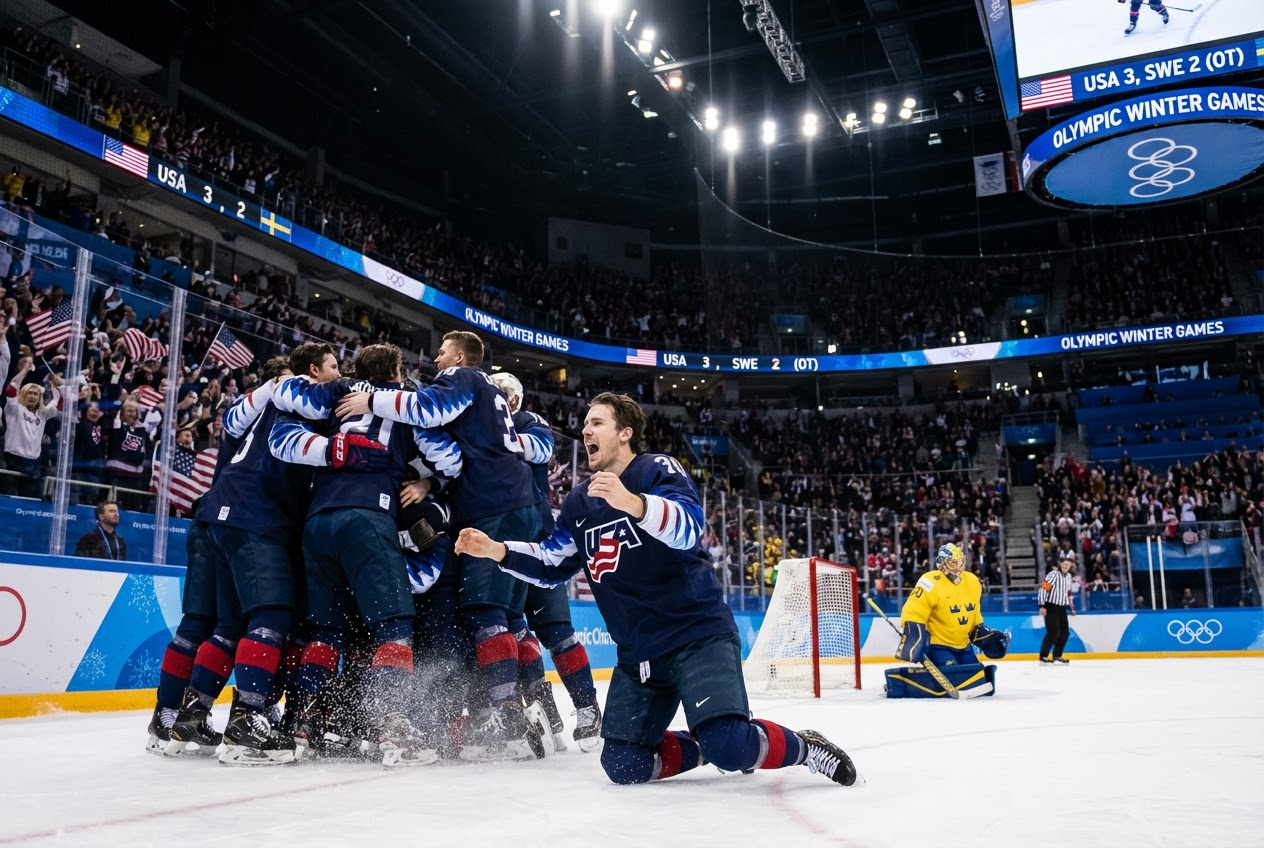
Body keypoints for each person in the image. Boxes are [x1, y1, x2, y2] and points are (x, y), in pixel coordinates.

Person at [455, 392, 857, 786]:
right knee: (623, 765)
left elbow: (688, 529)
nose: (585, 430)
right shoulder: (581, 501)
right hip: (639, 654)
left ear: (625, 432)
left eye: (597, 423)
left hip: (696, 635)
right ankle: (702, 749)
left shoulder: (655, 469)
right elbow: (552, 563)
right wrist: (497, 550)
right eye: (584, 424)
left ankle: (804, 747)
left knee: (731, 746)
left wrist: (635, 504)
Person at [335, 331, 545, 762]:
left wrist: (369, 402)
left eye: (443, 350)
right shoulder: (484, 391)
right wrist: (431, 482)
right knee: (504, 616)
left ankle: (506, 720)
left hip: (494, 506)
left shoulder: (464, 377)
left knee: (485, 614)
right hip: (513, 503)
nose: (435, 356)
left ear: (462, 357)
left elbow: (427, 410)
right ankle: (523, 710)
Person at [147, 356, 291, 758]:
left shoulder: (245, 418)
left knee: (206, 622)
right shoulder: (281, 413)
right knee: (265, 617)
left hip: (210, 519)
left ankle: (173, 715)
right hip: (249, 521)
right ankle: (247, 714)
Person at [491, 371, 601, 753]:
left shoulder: (527, 422)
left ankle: (587, 708)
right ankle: (547, 712)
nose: (498, 400)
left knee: (557, 631)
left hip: (536, 539)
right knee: (513, 628)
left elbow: (540, 450)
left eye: (503, 394)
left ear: (517, 399)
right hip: (501, 540)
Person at [885, 542, 1009, 698]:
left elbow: (973, 613)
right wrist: (913, 634)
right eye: (952, 562)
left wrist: (982, 634)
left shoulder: (972, 581)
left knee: (976, 674)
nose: (957, 565)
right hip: (939, 645)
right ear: (941, 563)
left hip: (964, 645)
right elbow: (914, 609)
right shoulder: (930, 582)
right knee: (954, 674)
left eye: (960, 560)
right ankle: (902, 684)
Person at [3, 356, 61, 498]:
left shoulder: (43, 414)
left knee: (31, 501)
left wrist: (57, 385)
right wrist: (24, 370)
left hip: (33, 461)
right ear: (23, 394)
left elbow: (60, 404)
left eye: (35, 394)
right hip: (13, 459)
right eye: (29, 392)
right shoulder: (15, 408)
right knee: (8, 499)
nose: (33, 396)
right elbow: (11, 389)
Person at [1038, 553, 1075, 665]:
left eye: (1068, 565)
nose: (1066, 566)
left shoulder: (1068, 576)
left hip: (1061, 607)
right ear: (1060, 564)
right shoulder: (1053, 574)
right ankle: (1043, 656)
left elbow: (1068, 592)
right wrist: (1042, 605)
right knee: (1053, 632)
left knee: (1065, 632)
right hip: (1050, 606)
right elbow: (1044, 588)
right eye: (1064, 564)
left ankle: (1057, 656)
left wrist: (1071, 607)